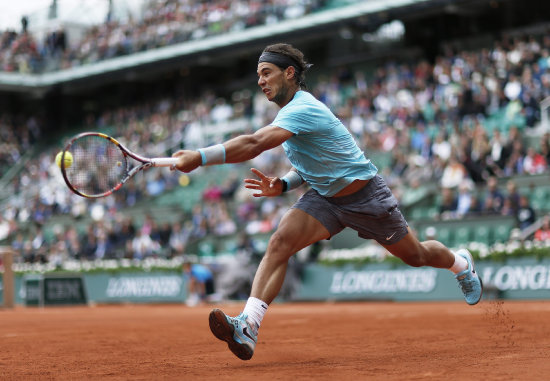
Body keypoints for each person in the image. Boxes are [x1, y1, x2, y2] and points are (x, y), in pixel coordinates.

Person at [171, 43, 483, 361]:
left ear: (289, 73)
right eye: (258, 76)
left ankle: (460, 264)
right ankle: (248, 325)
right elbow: (306, 168)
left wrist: (199, 157)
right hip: (325, 200)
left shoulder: (303, 109)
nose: (260, 81)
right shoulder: (287, 115)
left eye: (267, 73)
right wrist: (283, 185)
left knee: (416, 256)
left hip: (366, 198)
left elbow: (253, 144)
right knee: (280, 242)